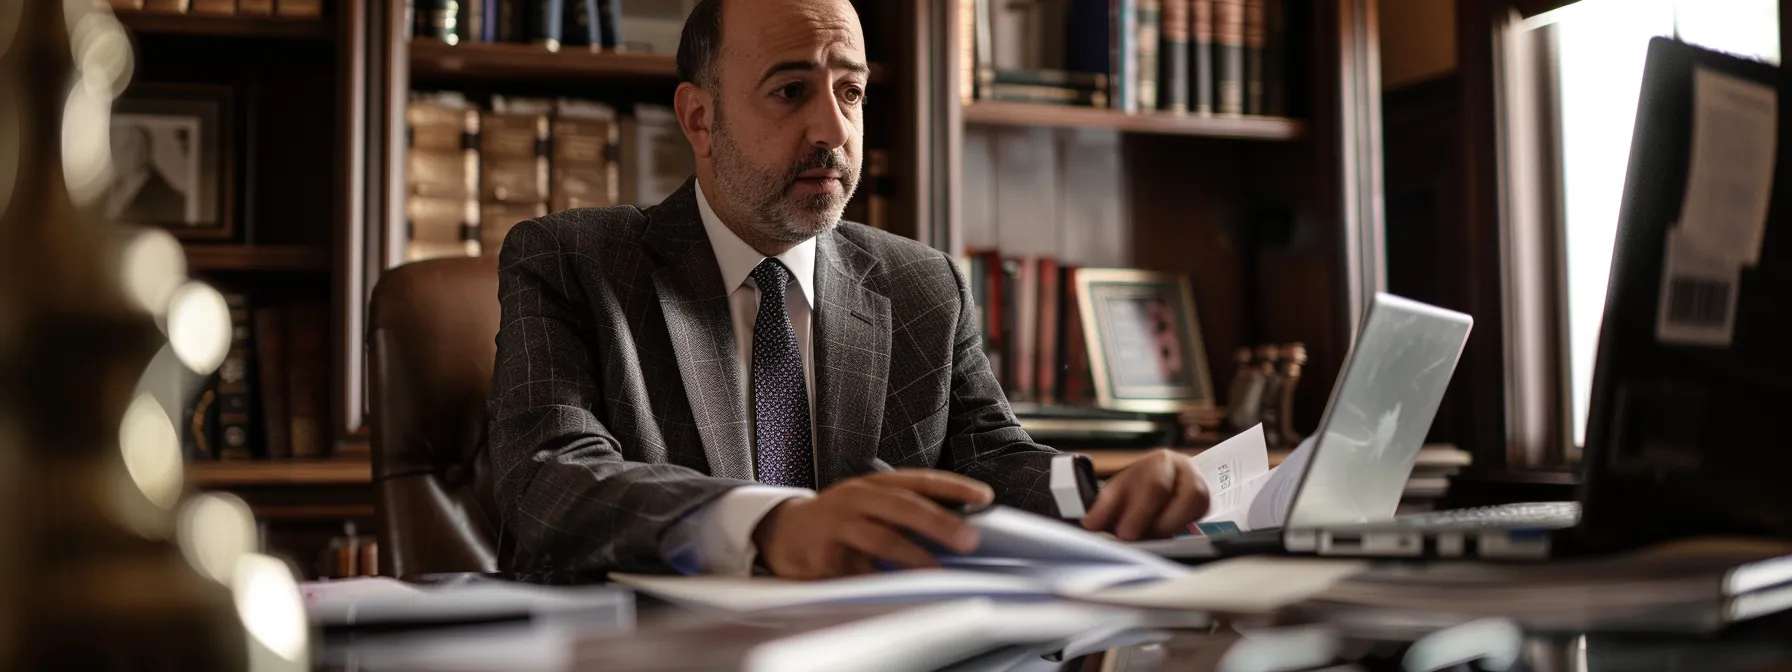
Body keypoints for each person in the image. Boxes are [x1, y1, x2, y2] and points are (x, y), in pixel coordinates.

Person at [486, 0, 1211, 580]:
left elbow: (991, 460)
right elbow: (552, 485)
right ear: (699, 119)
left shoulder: (920, 284)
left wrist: (1099, 495)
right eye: (791, 91)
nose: (834, 128)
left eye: (852, 91)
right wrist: (772, 526)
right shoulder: (574, 260)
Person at [107, 124, 188, 223]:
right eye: (113, 146)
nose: (116, 153)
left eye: (126, 146)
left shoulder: (169, 199)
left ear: (144, 151)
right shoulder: (109, 188)